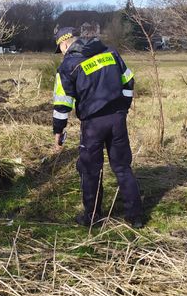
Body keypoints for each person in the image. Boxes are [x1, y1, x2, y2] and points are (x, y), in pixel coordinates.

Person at [52, 27, 144, 229]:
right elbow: (129, 81)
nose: (62, 53)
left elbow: (62, 104)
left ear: (65, 43)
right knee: (122, 167)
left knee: (90, 170)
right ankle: (135, 216)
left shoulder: (68, 66)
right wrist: (123, 108)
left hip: (93, 125)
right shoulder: (110, 53)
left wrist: (58, 131)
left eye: (61, 48)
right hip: (117, 119)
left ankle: (92, 217)